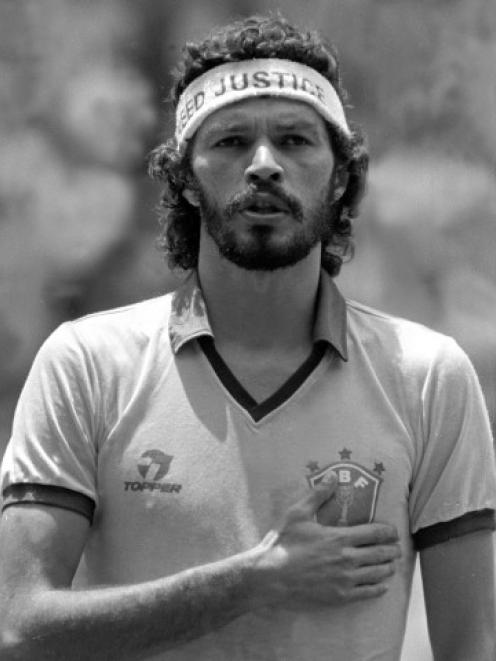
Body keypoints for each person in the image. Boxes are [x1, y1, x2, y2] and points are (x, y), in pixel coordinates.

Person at [0, 13, 495, 661]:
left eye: (295, 140)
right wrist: (251, 581)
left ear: (341, 176)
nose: (264, 165)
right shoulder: (85, 362)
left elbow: (472, 645)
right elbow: (17, 627)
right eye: (231, 142)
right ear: (183, 176)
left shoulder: (430, 375)